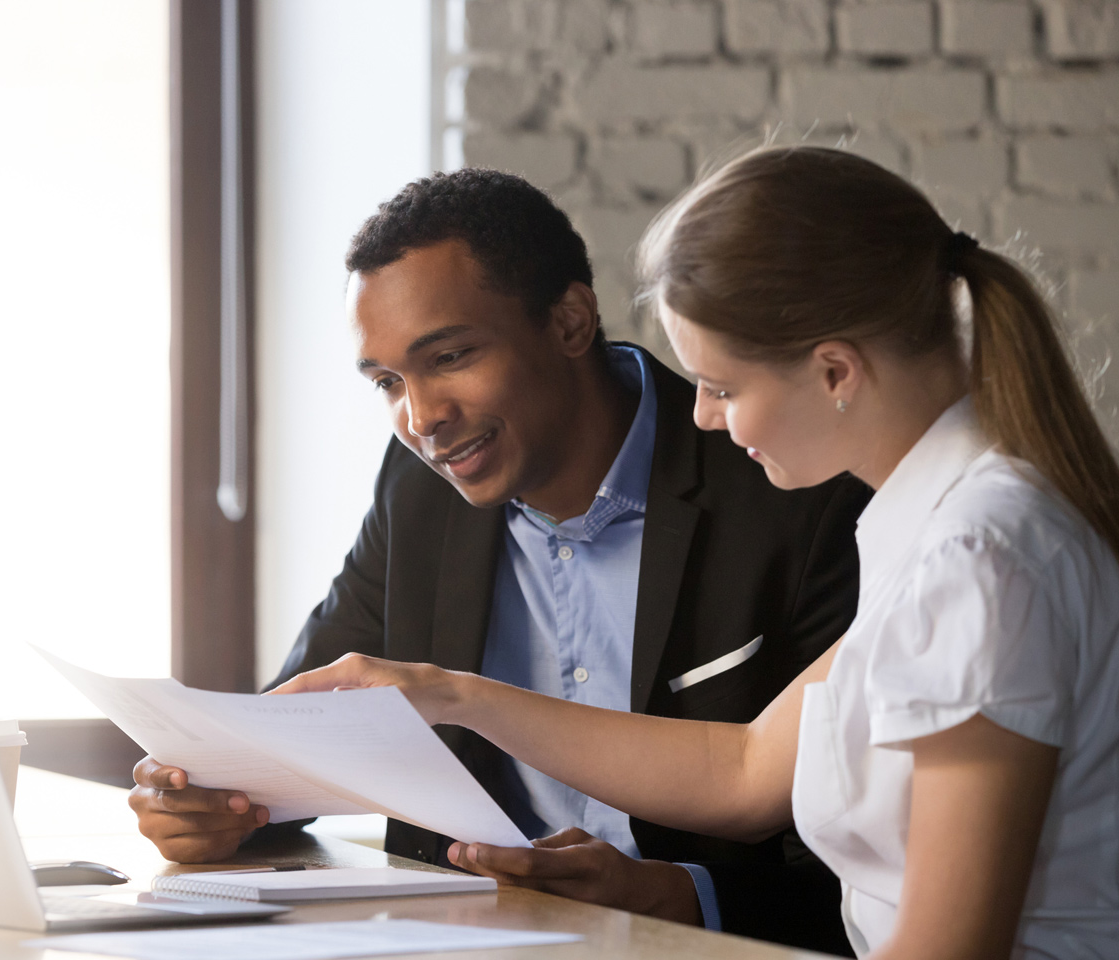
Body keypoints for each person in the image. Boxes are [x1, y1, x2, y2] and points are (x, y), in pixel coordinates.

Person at [274, 146, 1119, 959]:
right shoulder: (939, 525)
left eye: (722, 385)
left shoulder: (979, 557)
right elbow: (746, 771)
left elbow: (944, 949)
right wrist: (454, 696)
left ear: (835, 372)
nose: (702, 415)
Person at [127, 169, 872, 953]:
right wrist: (212, 801)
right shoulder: (418, 493)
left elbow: (872, 866)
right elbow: (302, 728)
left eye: (448, 357)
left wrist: (681, 894)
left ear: (571, 321)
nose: (421, 420)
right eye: (387, 382)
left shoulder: (795, 494)